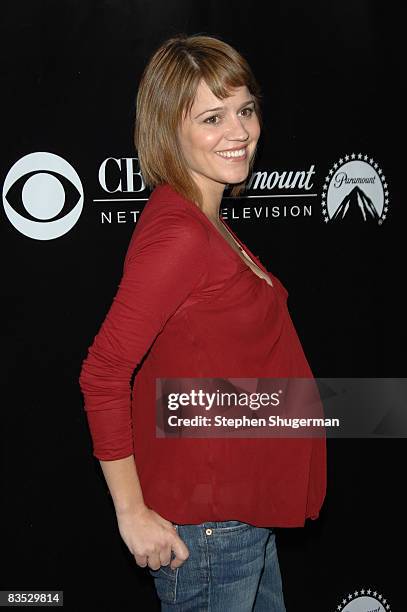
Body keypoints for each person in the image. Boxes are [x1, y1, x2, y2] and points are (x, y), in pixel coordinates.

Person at [79, 33, 326, 611]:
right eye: (212, 117)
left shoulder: (202, 219)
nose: (238, 132)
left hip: (241, 518)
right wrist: (131, 512)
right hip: (211, 533)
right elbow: (105, 372)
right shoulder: (179, 236)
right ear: (170, 129)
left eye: (244, 110)